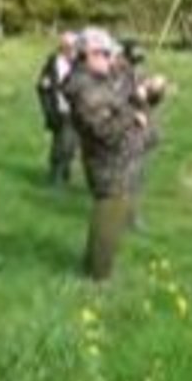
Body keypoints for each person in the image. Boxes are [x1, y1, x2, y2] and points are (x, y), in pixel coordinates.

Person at [63, 28, 149, 281]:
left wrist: (142, 97)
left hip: (115, 161)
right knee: (109, 217)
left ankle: (94, 269)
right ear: (88, 55)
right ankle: (98, 278)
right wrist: (133, 115)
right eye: (105, 53)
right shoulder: (84, 88)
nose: (110, 59)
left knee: (112, 214)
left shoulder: (94, 80)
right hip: (106, 163)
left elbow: (116, 102)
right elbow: (105, 130)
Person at [114, 39, 167, 230]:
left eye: (138, 61)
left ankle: (131, 215)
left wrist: (157, 89)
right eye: (132, 61)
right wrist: (134, 104)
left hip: (144, 135)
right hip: (126, 134)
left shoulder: (141, 75)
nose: (136, 66)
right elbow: (112, 104)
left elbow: (152, 102)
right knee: (126, 177)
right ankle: (122, 217)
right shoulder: (116, 77)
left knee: (137, 178)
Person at [36, 31, 79, 186]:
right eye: (71, 47)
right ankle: (56, 174)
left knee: (71, 143)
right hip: (59, 109)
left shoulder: (79, 64)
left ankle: (64, 171)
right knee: (63, 141)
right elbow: (42, 86)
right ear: (63, 47)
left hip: (77, 109)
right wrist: (49, 110)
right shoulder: (52, 64)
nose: (74, 51)